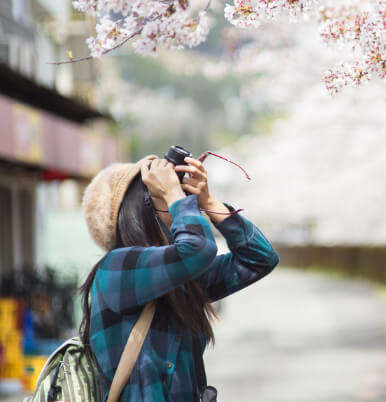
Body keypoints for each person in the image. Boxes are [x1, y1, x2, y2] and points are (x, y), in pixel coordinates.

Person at [78, 154, 279, 401]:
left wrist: (208, 201)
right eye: (158, 192)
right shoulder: (116, 268)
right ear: (137, 211)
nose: (179, 199)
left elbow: (260, 258)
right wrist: (174, 197)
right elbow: (199, 249)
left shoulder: (178, 278)